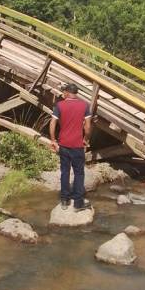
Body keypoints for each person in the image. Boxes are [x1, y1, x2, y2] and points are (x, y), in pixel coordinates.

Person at [50, 83, 92, 212]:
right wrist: (85, 139)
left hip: (63, 144)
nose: (63, 94)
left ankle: (64, 200)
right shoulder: (84, 105)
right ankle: (78, 203)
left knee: (65, 172)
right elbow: (88, 126)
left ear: (68, 93)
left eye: (64, 92)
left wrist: (53, 140)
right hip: (77, 145)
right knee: (79, 173)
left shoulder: (59, 105)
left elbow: (53, 123)